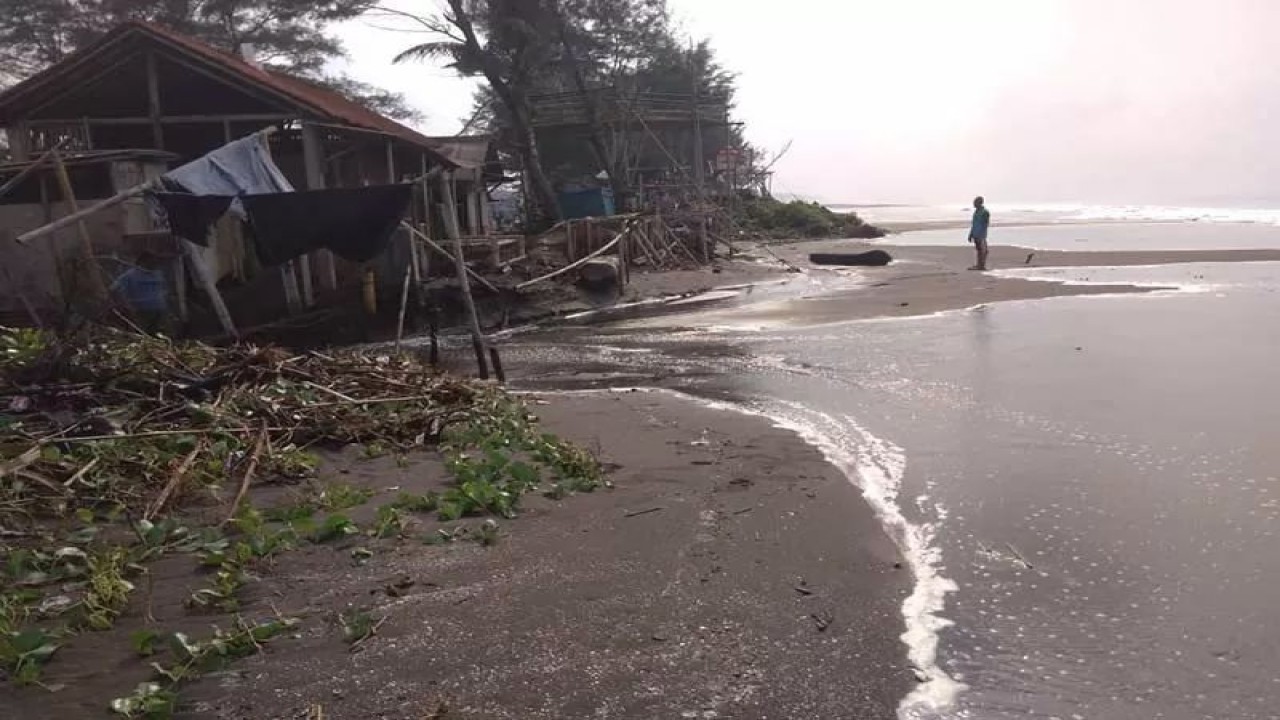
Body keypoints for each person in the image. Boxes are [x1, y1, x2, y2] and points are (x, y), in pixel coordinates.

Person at [111, 251, 173, 335]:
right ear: (142, 262)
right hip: (141, 311)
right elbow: (114, 288)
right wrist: (126, 305)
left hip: (160, 310)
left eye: (155, 261)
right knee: (141, 334)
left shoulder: (158, 273)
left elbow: (165, 288)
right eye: (150, 261)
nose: (154, 263)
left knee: (160, 335)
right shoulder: (130, 275)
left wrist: (165, 298)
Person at [968, 196, 991, 271]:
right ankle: (979, 265)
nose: (974, 204)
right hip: (975, 233)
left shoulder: (985, 212)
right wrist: (971, 234)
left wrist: (982, 234)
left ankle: (981, 265)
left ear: (980, 203)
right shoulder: (976, 212)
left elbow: (986, 224)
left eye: (975, 202)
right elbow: (974, 224)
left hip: (981, 234)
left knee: (983, 250)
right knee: (979, 250)